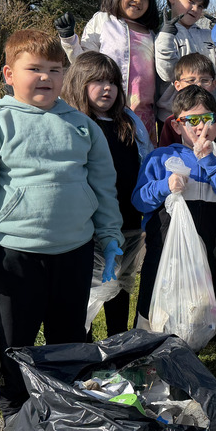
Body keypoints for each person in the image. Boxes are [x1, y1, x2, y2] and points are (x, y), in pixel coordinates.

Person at [0, 30, 123, 423]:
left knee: (69, 341)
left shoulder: (83, 127)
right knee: (15, 343)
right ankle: (16, 411)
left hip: (73, 255)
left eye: (55, 69)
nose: (45, 77)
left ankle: (65, 411)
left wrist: (110, 237)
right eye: (35, 69)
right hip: (13, 257)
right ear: (9, 73)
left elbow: (103, 186)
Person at [131, 85, 216, 326]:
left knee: (194, 314)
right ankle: (147, 350)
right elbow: (139, 200)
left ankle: (187, 355)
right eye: (193, 120)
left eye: (208, 119)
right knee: (153, 311)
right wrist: (164, 186)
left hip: (201, 256)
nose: (201, 127)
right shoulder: (160, 158)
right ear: (177, 125)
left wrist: (209, 161)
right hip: (162, 256)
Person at [61, 50, 153, 336]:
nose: (107, 89)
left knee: (120, 285)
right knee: (85, 291)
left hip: (127, 221)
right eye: (97, 81)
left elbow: (144, 161)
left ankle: (118, 340)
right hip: (87, 227)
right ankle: (83, 348)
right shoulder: (72, 123)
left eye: (112, 82)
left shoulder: (128, 121)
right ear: (78, 83)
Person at [54, 0, 161, 142]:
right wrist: (69, 39)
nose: (137, 0)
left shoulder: (150, 33)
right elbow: (84, 64)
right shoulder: (102, 20)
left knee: (140, 162)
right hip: (104, 109)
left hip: (142, 114)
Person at [154, 0, 216, 120]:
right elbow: (167, 73)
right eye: (191, 1)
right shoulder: (165, 36)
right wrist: (166, 36)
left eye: (201, 5)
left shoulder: (208, 35)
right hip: (173, 117)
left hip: (207, 115)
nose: (195, 8)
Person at [156, 53, 216, 148]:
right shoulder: (174, 122)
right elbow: (165, 154)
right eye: (191, 81)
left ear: (214, 84)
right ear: (178, 85)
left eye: (205, 80)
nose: (198, 85)